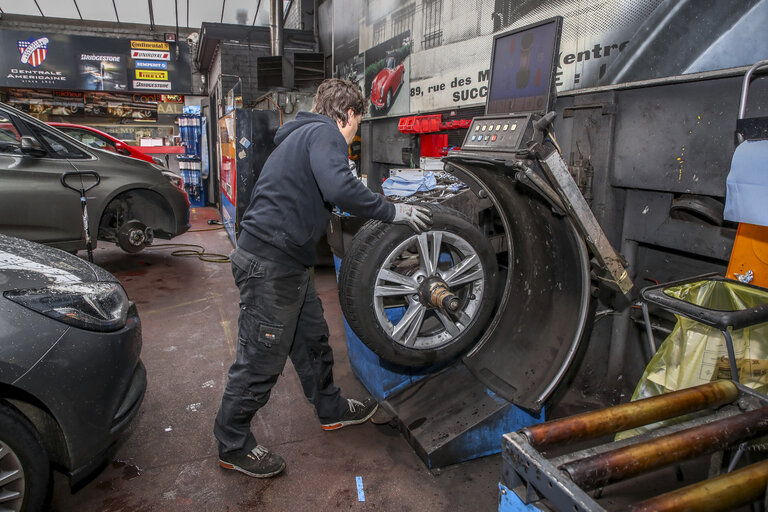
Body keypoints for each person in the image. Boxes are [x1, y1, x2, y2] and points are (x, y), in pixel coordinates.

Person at [214, 78, 432, 478]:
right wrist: (391, 211)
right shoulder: (324, 133)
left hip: (284, 262)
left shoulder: (301, 136)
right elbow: (338, 187)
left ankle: (330, 408)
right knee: (261, 359)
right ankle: (232, 443)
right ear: (347, 115)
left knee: (313, 340)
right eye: (356, 126)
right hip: (270, 263)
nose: (352, 136)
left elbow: (323, 190)